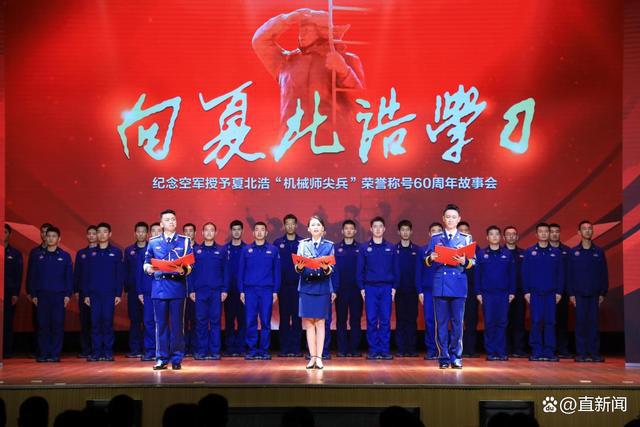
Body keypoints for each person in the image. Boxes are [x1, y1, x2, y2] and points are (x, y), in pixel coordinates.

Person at [253, 8, 365, 143]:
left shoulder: (345, 59)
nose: (301, 34)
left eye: (307, 29)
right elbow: (260, 41)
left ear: (322, 31)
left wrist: (345, 71)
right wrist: (285, 20)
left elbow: (361, 102)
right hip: (292, 141)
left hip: (333, 142)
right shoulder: (286, 62)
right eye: (301, 29)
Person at [424, 204, 475, 369]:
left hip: (458, 285)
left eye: (454, 217)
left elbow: (473, 262)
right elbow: (426, 260)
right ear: (443, 219)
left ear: (458, 219)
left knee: (458, 323)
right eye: (448, 217)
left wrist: (464, 261)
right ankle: (444, 357)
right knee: (441, 323)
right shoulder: (436, 238)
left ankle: (456, 357)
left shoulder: (465, 238)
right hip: (441, 284)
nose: (451, 220)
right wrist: (431, 258)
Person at [143, 209, 194, 370]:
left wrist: (183, 269)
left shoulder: (184, 241)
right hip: (159, 287)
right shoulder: (153, 241)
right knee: (161, 325)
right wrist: (148, 269)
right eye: (167, 220)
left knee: (178, 325)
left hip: (177, 287)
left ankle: (177, 358)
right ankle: (161, 358)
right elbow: (146, 261)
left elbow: (190, 265)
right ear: (161, 224)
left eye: (173, 219)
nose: (171, 222)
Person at [295, 216, 336, 369]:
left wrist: (325, 267)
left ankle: (319, 357)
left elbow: (331, 269)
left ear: (323, 228)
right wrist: (300, 266)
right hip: (306, 287)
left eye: (318, 225)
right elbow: (298, 268)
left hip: (322, 287)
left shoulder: (329, 246)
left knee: (320, 322)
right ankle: (312, 357)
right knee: (309, 323)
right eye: (313, 225)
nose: (316, 227)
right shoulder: (303, 245)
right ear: (308, 229)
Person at [357, 216, 399, 360]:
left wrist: (394, 287)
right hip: (370, 288)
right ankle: (374, 350)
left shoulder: (391, 247)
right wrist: (361, 288)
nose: (378, 229)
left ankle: (385, 350)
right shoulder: (364, 248)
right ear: (371, 229)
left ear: (384, 229)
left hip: (387, 288)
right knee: (371, 320)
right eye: (375, 226)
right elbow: (359, 270)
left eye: (380, 226)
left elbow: (396, 269)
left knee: (386, 320)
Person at [238, 222, 281, 360]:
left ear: (266, 233)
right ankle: (251, 350)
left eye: (262, 230)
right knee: (250, 320)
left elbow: (277, 271)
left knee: (265, 322)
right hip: (249, 290)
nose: (259, 232)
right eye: (257, 230)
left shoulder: (273, 250)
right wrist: (241, 290)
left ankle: (264, 350)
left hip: (267, 290)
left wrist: (275, 291)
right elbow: (241, 271)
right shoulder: (246, 250)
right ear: (253, 233)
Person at [522, 223, 564, 362]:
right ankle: (536, 351)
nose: (544, 234)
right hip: (535, 293)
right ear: (537, 234)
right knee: (536, 321)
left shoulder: (556, 252)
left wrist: (559, 292)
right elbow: (525, 273)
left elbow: (560, 274)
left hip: (551, 294)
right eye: (541, 231)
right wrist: (526, 291)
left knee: (550, 322)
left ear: (549, 233)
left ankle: (549, 351)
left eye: (546, 231)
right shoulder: (530, 252)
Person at [30, 226, 73, 362]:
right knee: (43, 325)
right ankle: (43, 353)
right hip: (42, 296)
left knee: (57, 325)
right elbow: (33, 276)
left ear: (59, 239)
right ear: (44, 237)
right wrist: (33, 294)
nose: (50, 238)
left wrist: (67, 295)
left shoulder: (65, 256)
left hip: (58, 296)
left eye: (54, 236)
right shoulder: (38, 256)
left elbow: (68, 277)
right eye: (48, 236)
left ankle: (55, 354)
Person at [568, 220, 608, 362]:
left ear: (592, 231)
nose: (587, 231)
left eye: (590, 228)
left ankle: (594, 353)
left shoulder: (599, 252)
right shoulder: (573, 252)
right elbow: (569, 274)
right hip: (579, 294)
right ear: (579, 232)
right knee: (580, 324)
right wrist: (571, 293)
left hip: (594, 294)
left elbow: (604, 273)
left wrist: (603, 292)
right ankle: (581, 353)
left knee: (593, 324)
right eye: (584, 229)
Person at [83, 222, 124, 362]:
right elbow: (86, 275)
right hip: (94, 294)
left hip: (109, 293)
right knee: (95, 323)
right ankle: (96, 352)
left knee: (107, 322)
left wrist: (118, 293)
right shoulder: (90, 253)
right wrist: (86, 294)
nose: (101, 234)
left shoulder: (116, 252)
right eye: (99, 232)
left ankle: (107, 352)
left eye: (104, 231)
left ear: (110, 234)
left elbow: (119, 274)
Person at [475, 226, 516, 361]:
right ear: (487, 237)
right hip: (487, 294)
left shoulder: (507, 254)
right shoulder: (481, 254)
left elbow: (512, 274)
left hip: (503, 294)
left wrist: (512, 291)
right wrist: (478, 292)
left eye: (496, 234)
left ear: (500, 237)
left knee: (502, 323)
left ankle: (501, 351)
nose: (494, 236)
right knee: (490, 323)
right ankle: (491, 352)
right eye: (491, 234)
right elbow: (477, 275)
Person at [190, 222, 228, 360]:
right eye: (206, 230)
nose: (209, 232)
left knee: (215, 322)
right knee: (201, 321)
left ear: (216, 233)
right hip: (200, 292)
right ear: (202, 233)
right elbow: (190, 272)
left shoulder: (222, 250)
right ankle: (201, 351)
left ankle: (215, 351)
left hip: (216, 292)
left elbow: (226, 271)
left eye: (212, 230)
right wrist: (191, 290)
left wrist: (225, 290)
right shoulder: (195, 250)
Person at [273, 214, 303, 357]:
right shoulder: (277, 243)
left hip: (299, 287)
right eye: (287, 224)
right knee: (284, 318)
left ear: (296, 225)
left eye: (292, 224)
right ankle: (284, 349)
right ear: (284, 226)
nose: (290, 226)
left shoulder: (303, 243)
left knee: (297, 318)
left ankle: (296, 349)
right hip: (283, 287)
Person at [335, 219, 362, 357]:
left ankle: (354, 349)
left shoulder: (361, 248)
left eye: (351, 228)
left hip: (356, 290)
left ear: (355, 231)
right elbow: (333, 270)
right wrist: (334, 289)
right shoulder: (336, 248)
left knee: (355, 320)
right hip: (341, 290)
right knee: (341, 320)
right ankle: (342, 349)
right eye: (346, 228)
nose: (349, 231)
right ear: (342, 231)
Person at [416, 222, 442, 360]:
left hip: (444, 290)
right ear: (429, 234)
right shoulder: (423, 250)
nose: (436, 233)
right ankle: (431, 350)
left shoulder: (448, 249)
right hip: (428, 290)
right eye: (434, 231)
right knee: (429, 320)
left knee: (443, 322)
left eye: (439, 231)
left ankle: (443, 351)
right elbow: (418, 271)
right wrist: (420, 290)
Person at [123, 221, 148, 358]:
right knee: (134, 320)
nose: (141, 234)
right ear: (135, 233)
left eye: (143, 231)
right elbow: (125, 271)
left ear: (147, 233)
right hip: (133, 291)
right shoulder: (129, 250)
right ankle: (135, 349)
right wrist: (126, 288)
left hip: (148, 291)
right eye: (138, 231)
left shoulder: (151, 249)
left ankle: (147, 349)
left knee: (148, 320)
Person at [223, 220, 247, 356]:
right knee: (229, 320)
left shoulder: (247, 249)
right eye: (234, 229)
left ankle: (241, 347)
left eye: (239, 229)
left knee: (243, 319)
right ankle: (230, 347)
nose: (236, 232)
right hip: (229, 290)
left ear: (242, 231)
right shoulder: (224, 249)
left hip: (243, 291)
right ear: (231, 231)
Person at [394, 220, 419, 357]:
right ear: (399, 232)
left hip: (413, 290)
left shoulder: (417, 250)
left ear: (411, 232)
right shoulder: (393, 249)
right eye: (402, 230)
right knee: (400, 319)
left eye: (407, 230)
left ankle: (411, 348)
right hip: (398, 290)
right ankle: (401, 348)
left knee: (412, 319)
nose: (405, 232)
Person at [137, 222, 161, 361]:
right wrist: (140, 291)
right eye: (154, 231)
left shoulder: (168, 250)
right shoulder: (144, 251)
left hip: (164, 291)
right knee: (148, 322)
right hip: (148, 291)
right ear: (150, 234)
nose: (156, 233)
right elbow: (139, 273)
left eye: (159, 231)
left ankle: (162, 351)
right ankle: (150, 351)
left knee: (162, 322)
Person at [503, 226, 528, 358]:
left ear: (517, 237)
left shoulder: (524, 253)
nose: (511, 236)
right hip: (503, 292)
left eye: (514, 234)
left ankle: (519, 348)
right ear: (504, 237)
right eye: (508, 234)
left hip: (519, 292)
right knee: (504, 321)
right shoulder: (500, 252)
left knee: (519, 321)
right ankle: (506, 348)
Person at [73, 225, 97, 358]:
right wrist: (76, 290)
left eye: (94, 233)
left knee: (96, 322)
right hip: (83, 291)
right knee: (85, 322)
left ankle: (96, 349)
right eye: (90, 234)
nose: (92, 236)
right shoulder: (81, 253)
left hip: (97, 292)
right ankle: (85, 350)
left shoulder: (101, 252)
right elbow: (77, 273)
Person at [549, 223, 573, 359]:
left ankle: (562, 349)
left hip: (562, 292)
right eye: (551, 231)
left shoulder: (567, 251)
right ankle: (549, 348)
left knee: (562, 321)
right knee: (547, 322)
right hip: (546, 291)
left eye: (556, 231)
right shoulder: (542, 250)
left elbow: (569, 273)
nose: (554, 234)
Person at [459, 220, 480, 357]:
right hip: (456, 290)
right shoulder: (451, 246)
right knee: (457, 321)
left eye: (466, 230)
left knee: (471, 320)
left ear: (469, 233)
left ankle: (470, 349)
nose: (464, 233)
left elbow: (479, 270)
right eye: (461, 231)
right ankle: (457, 350)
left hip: (471, 290)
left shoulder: (476, 248)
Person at [3, 224, 23, 358]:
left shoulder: (15, 254)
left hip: (8, 293)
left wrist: (15, 293)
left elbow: (18, 274)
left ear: (9, 234)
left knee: (7, 322)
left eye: (5, 232)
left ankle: (6, 350)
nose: (2, 234)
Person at [182, 222, 198, 357]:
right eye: (186, 231)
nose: (188, 233)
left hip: (196, 292)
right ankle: (183, 348)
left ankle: (194, 347)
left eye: (190, 231)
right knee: (182, 322)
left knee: (195, 321)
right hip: (181, 291)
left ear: (195, 233)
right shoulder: (178, 250)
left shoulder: (200, 249)